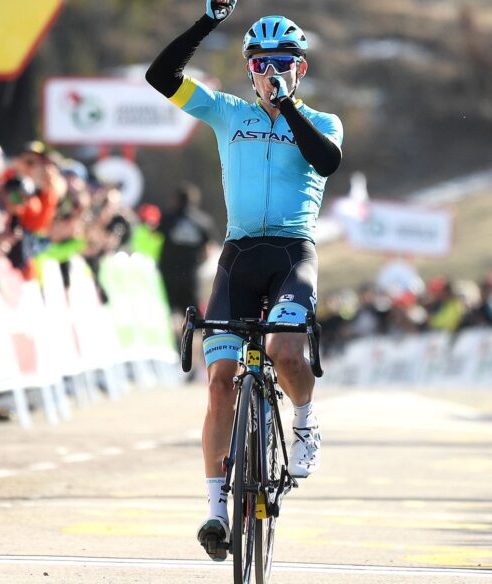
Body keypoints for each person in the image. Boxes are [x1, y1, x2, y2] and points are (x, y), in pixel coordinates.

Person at [147, 0, 343, 560]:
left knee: (284, 351)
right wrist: (209, 20)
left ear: (300, 69)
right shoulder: (228, 113)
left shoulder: (323, 121)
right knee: (219, 381)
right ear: (247, 68)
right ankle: (215, 511)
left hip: (291, 255)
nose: (270, 72)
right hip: (238, 257)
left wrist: (288, 106)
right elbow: (161, 76)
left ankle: (304, 420)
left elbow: (326, 161)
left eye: (282, 63)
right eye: (260, 63)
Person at [156, 183, 216, 317]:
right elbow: (208, 250)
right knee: (191, 310)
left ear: (176, 200)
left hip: (168, 271)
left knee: (168, 309)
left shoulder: (168, 218)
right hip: (190, 273)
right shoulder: (203, 221)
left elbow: (155, 238)